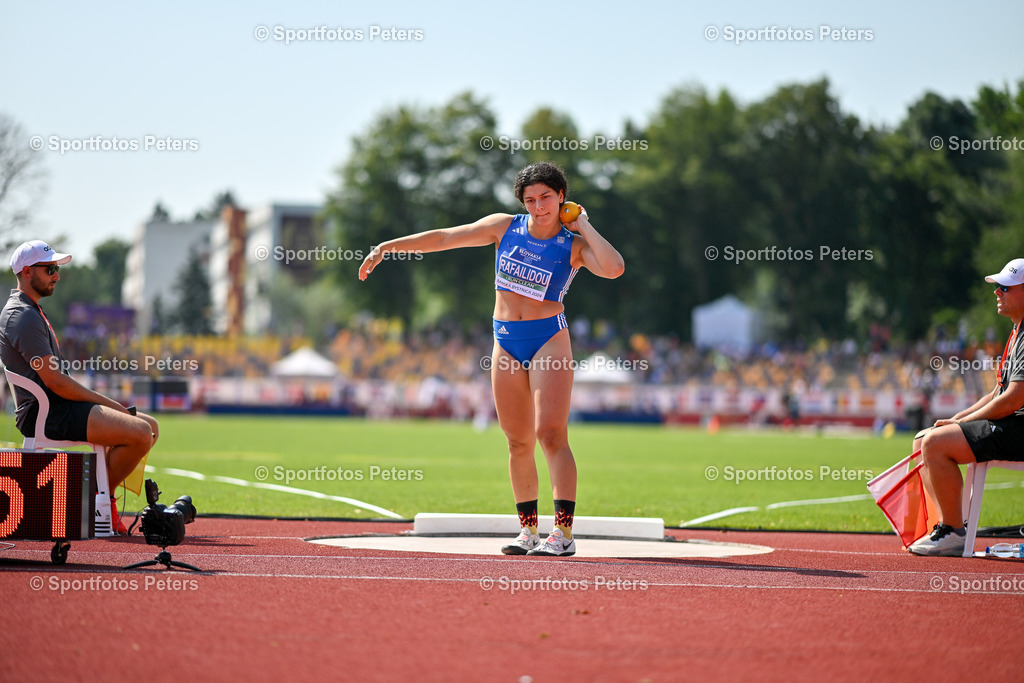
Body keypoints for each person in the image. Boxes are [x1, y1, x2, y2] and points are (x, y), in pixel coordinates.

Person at [359, 162, 624, 556]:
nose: (538, 207)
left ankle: (563, 535)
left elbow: (615, 268)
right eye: (530, 200)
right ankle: (528, 532)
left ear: (562, 197)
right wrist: (388, 247)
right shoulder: (505, 227)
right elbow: (446, 238)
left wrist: (583, 224)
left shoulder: (574, 246)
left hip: (549, 339)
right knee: (517, 442)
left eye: (546, 198)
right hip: (504, 340)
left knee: (550, 435)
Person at [0, 240, 159, 534]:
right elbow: (55, 381)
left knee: (150, 426)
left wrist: (112, 406)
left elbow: (57, 381)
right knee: (139, 431)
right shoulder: (21, 316)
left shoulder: (31, 310)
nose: (56, 275)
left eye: (56, 268)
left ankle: (102, 498)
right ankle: (99, 503)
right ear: (26, 272)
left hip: (59, 404)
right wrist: (113, 406)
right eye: (49, 269)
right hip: (46, 412)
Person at [909, 258, 1024, 556]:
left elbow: (1014, 399)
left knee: (934, 444)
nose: (997, 292)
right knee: (922, 439)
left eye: (1005, 287)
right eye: (998, 287)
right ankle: (947, 526)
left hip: (1020, 428)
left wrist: (960, 424)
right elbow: (997, 392)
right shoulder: (1017, 332)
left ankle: (954, 532)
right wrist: (956, 419)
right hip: (1014, 425)